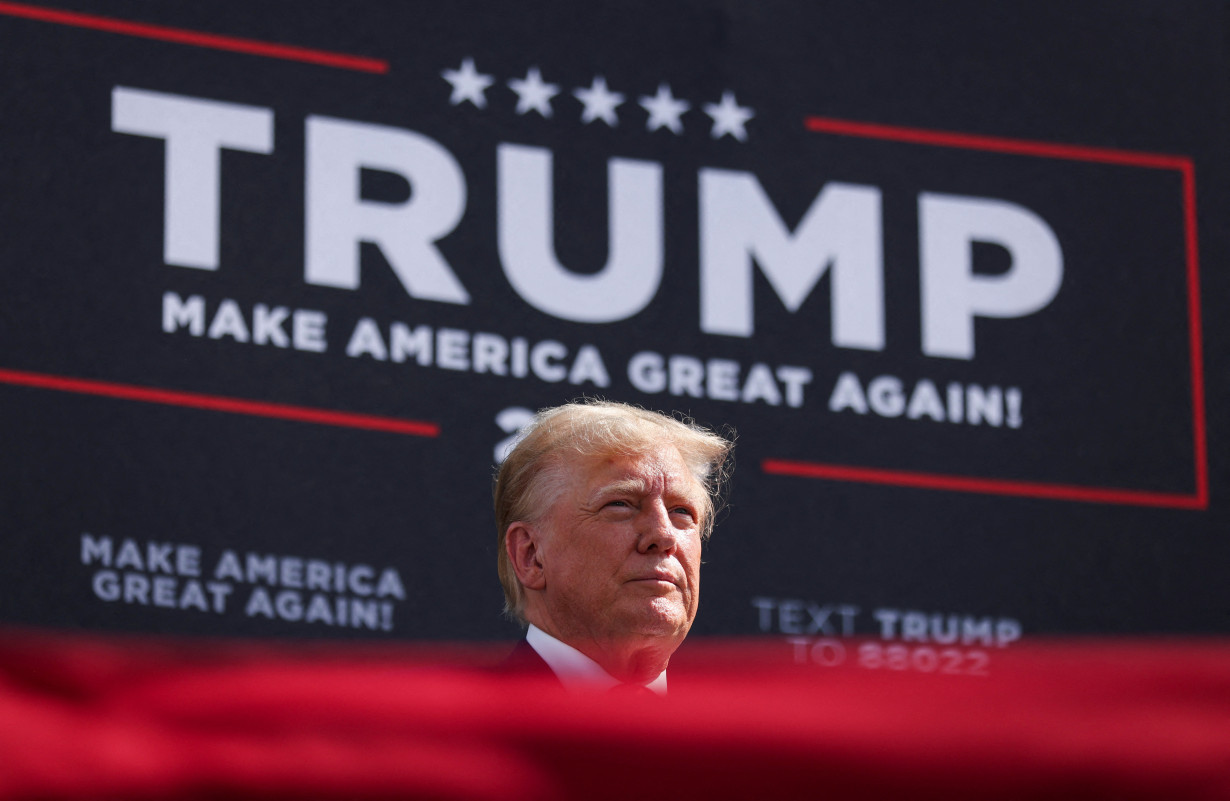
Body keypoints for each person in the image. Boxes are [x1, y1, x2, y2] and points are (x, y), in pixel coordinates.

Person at [494, 400, 733, 693]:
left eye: (681, 512)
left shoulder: (739, 734)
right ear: (530, 555)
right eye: (620, 504)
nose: (663, 535)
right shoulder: (464, 729)